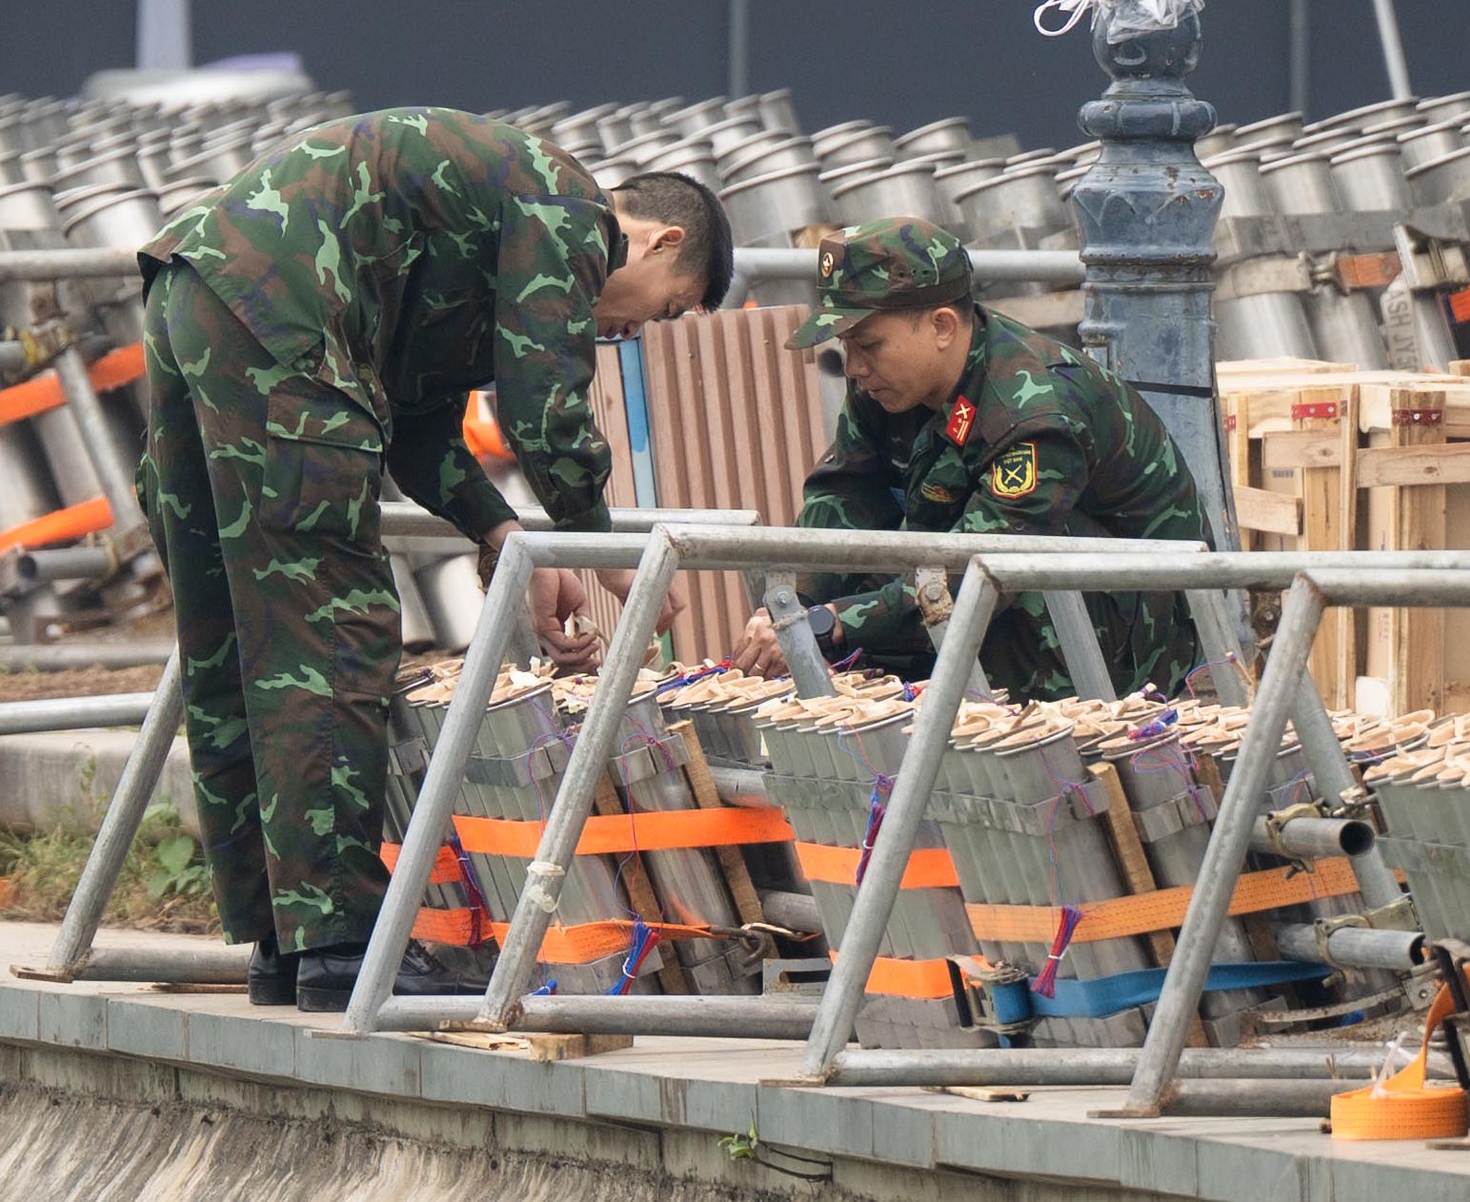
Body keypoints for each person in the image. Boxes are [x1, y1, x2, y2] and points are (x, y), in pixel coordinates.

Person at [136, 107, 732, 1011]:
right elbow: (545, 407)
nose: (632, 334)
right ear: (657, 242)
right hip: (281, 311)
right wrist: (608, 550)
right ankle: (339, 940)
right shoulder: (571, 210)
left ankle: (282, 939)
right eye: (668, 309)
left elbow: (419, 430)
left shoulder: (484, 229)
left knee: (235, 632)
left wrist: (506, 537)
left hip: (202, 293)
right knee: (330, 631)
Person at [732, 216, 1208, 701]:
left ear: (942, 326)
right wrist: (798, 604)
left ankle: (1018, 722)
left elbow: (985, 569)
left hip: (1128, 632)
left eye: (869, 344)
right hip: (995, 585)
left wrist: (831, 624)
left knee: (1004, 570)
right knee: (870, 571)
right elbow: (845, 494)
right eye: (846, 345)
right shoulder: (882, 386)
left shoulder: (1034, 412)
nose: (854, 367)